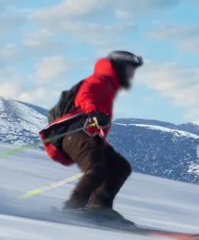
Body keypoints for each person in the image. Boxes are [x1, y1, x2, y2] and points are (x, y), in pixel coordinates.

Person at [39, 50, 143, 216]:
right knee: (96, 170)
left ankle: (99, 207)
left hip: (87, 136)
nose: (132, 74)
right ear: (121, 67)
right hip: (74, 134)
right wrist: (94, 113)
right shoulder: (100, 80)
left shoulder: (109, 85)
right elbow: (85, 96)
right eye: (131, 68)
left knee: (120, 167)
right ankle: (72, 211)